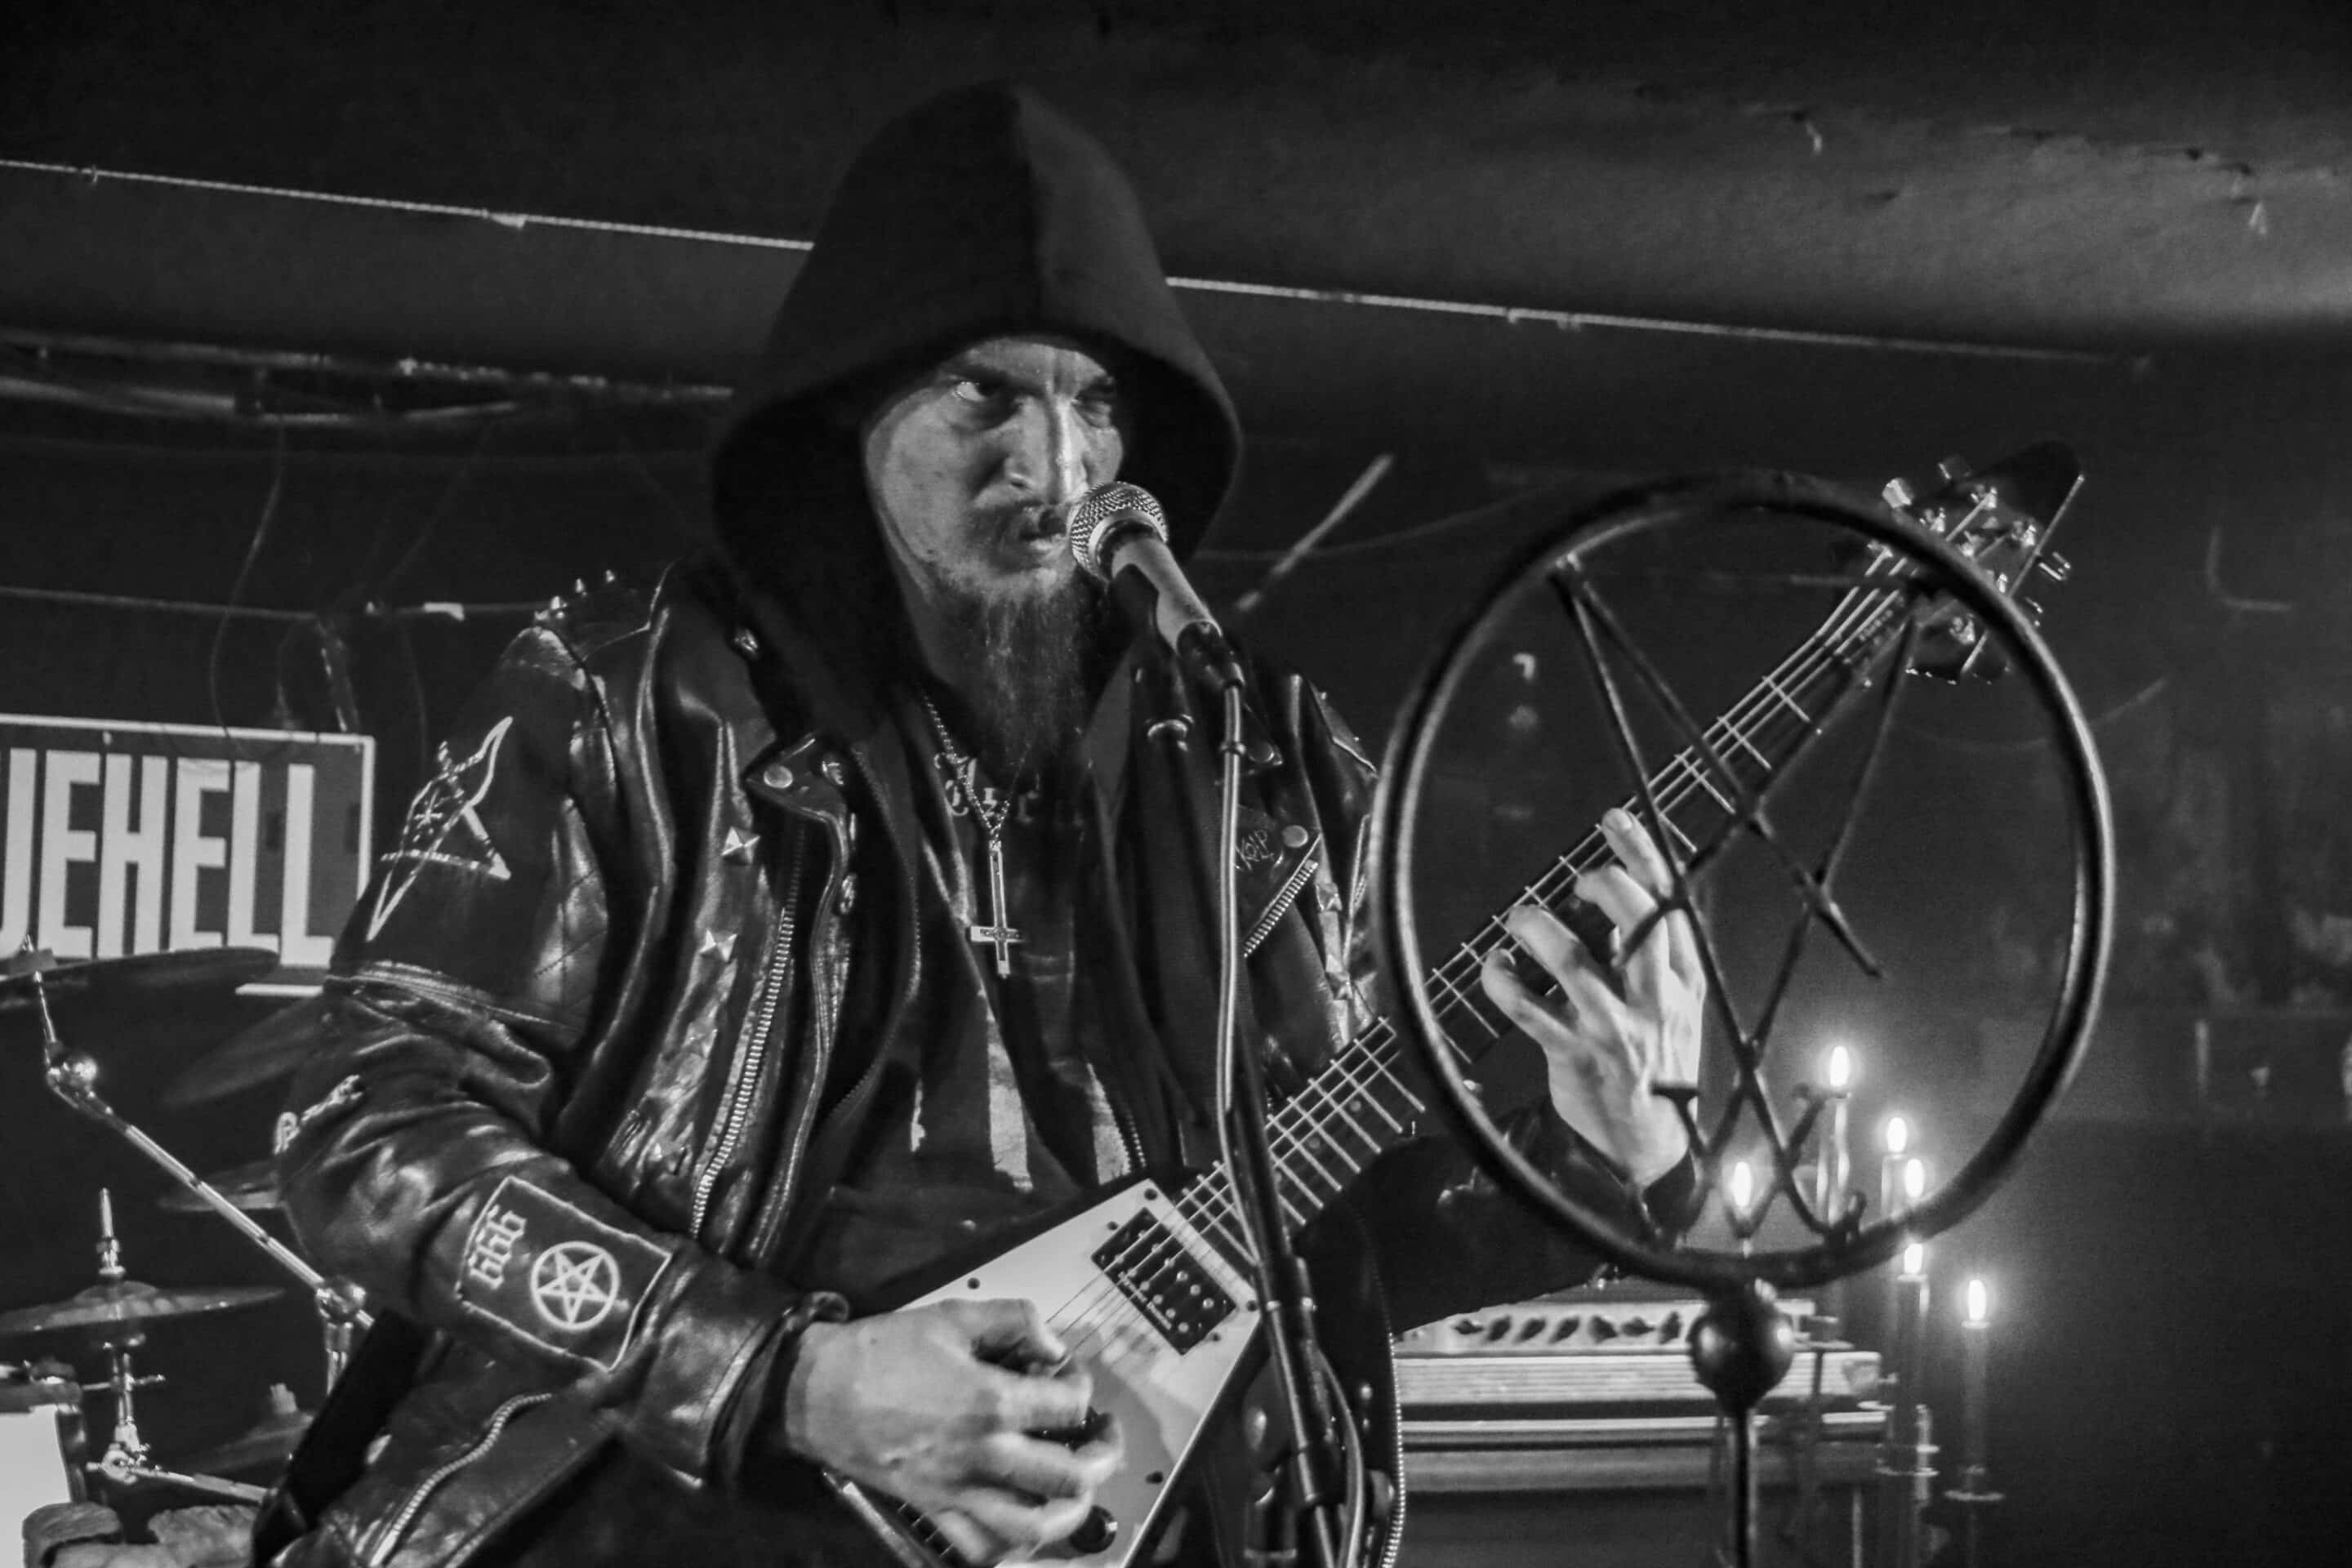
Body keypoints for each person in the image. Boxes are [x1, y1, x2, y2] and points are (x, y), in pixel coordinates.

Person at [259, 81, 1704, 1568]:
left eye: (1094, 404)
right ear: (851, 414)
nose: (1053, 466)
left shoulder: (1251, 765)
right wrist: (788, 1377)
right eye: (982, 395)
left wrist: (1606, 1153)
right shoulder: (629, 706)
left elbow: (1326, 1249)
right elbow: (368, 1128)